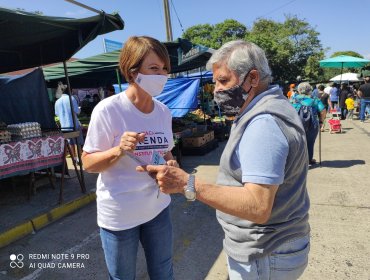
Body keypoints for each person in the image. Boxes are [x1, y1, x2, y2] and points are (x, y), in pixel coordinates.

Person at [139, 40, 311, 280]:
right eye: (215, 82)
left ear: (252, 78)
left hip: (265, 254)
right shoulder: (267, 109)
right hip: (271, 250)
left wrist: (186, 184)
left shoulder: (263, 125)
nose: (217, 89)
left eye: (223, 80)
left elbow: (257, 206)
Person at [81, 36, 177, 280]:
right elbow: (88, 163)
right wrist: (119, 150)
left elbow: (166, 151)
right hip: (120, 216)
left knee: (163, 271)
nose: (162, 75)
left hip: (158, 209)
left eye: (164, 68)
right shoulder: (108, 110)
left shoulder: (163, 112)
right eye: (154, 68)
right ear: (133, 72)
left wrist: (171, 163)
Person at [293, 82, 326, 165]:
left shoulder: (293, 99)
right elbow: (323, 111)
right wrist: (322, 122)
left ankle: (298, 162)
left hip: (297, 124)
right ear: (309, 90)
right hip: (312, 124)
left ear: (299, 90)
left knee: (298, 143)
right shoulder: (315, 99)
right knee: (310, 142)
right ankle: (309, 160)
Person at [54, 90, 84, 163]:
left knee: (71, 143)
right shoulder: (72, 98)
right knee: (78, 142)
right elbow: (77, 111)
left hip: (64, 126)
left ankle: (74, 158)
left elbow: (57, 114)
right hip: (74, 125)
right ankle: (79, 159)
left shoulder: (57, 102)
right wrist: (79, 108)